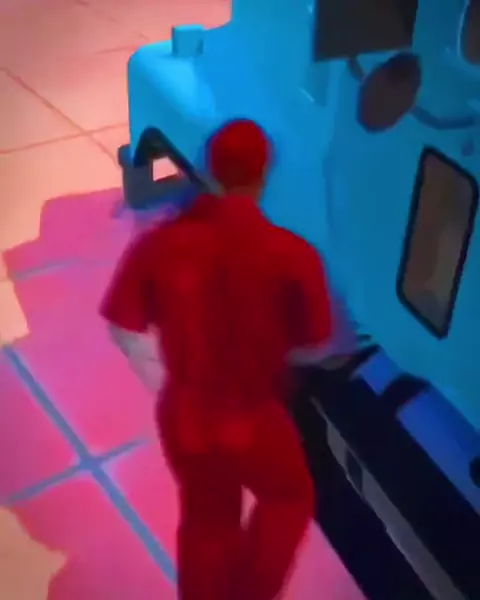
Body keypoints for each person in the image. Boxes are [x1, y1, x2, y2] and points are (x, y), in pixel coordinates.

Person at [100, 119, 333, 600]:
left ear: (209, 171)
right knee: (288, 498)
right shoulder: (293, 255)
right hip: (252, 415)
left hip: (185, 413)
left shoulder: (160, 244)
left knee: (207, 518)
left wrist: (164, 377)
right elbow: (317, 342)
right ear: (263, 175)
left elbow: (121, 323)